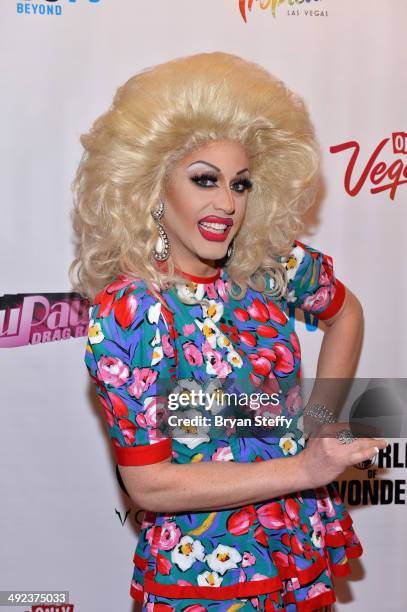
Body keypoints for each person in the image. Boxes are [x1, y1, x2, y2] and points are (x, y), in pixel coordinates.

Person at [69, 52, 387, 611]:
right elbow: (149, 485)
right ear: (151, 184)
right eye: (203, 180)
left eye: (240, 185)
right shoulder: (135, 310)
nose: (226, 204)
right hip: (207, 576)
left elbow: (346, 313)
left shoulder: (263, 265)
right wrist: (304, 468)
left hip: (293, 547)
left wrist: (317, 425)